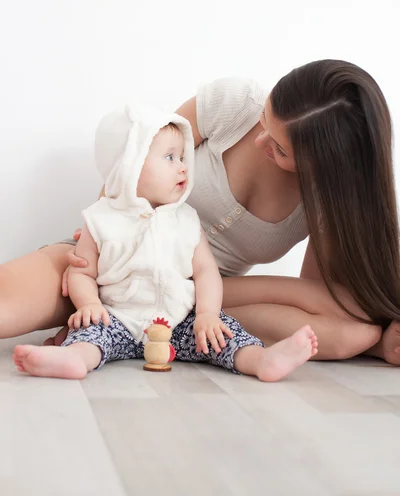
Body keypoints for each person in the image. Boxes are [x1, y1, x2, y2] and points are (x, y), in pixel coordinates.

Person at [1, 60, 399, 364]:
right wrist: (103, 227)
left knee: (351, 330)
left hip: (200, 299)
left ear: (323, 166)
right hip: (114, 266)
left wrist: (377, 332)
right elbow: (136, 153)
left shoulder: (324, 200)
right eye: (265, 121)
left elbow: (318, 298)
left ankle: (154, 335)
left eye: (279, 149)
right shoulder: (236, 103)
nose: (261, 140)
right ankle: (109, 328)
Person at [13, 106, 318, 380]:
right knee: (91, 334)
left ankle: (260, 359)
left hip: (182, 321)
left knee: (224, 334)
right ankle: (74, 359)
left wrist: (207, 314)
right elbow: (80, 272)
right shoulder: (100, 220)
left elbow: (206, 272)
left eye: (183, 157)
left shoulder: (186, 220)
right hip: (119, 318)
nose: (183, 166)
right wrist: (89, 305)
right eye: (170, 158)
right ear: (129, 167)